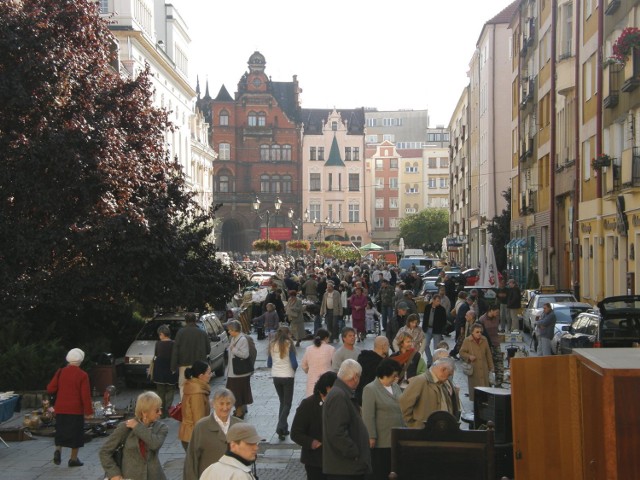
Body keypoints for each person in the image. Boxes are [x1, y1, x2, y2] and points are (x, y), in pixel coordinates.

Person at [100, 391, 168, 480]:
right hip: (130, 476)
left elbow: (155, 444)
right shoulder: (125, 427)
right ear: (144, 412)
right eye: (157, 410)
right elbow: (104, 451)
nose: (160, 413)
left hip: (154, 476)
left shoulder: (161, 428)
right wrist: (114, 473)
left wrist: (137, 427)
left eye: (160, 409)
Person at [322, 359, 372, 479]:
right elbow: (337, 432)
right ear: (355, 377)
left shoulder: (341, 393)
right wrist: (354, 453)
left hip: (346, 467)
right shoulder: (339, 396)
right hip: (345, 468)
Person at [47, 348, 93, 467]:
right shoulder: (83, 375)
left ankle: (58, 450)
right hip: (75, 409)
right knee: (76, 434)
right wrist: (89, 411)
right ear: (80, 361)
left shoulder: (60, 372)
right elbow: (85, 395)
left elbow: (50, 388)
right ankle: (73, 459)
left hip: (61, 407)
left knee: (60, 430)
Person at [183, 388, 242, 480]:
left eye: (228, 403)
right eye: (221, 403)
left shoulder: (239, 425)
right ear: (213, 404)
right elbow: (192, 458)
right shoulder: (202, 426)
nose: (225, 408)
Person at [362, 359, 404, 480]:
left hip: (396, 437)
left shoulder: (395, 387)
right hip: (382, 440)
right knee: (381, 471)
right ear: (384, 375)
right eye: (393, 376)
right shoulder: (370, 389)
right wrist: (371, 436)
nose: (395, 378)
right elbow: (368, 415)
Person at [291, 371, 338, 480]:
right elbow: (296, 433)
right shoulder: (308, 405)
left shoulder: (339, 403)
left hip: (335, 461)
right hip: (315, 461)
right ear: (327, 388)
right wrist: (313, 443)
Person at [398, 359, 457, 428]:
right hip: (424, 430)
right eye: (449, 374)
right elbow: (404, 403)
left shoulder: (441, 382)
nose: (448, 378)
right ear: (442, 369)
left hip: (439, 429)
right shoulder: (420, 380)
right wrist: (413, 424)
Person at [267, 326, 298, 440]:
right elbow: (294, 363)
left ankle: (283, 429)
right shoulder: (289, 344)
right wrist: (293, 370)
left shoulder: (272, 344)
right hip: (288, 376)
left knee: (282, 402)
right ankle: (280, 425)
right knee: (287, 403)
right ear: (288, 334)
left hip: (276, 376)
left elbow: (269, 363)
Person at [171, 312, 210, 398]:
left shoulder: (180, 333)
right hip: (200, 366)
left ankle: (185, 406)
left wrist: (173, 367)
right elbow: (208, 350)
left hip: (184, 365)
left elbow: (175, 350)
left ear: (185, 321)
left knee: (183, 386)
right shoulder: (202, 332)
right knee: (200, 386)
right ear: (195, 320)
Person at [179, 360, 212, 451]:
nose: (211, 375)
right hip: (193, 437)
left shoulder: (192, 386)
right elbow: (199, 420)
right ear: (201, 376)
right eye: (209, 373)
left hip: (189, 435)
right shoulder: (197, 393)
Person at [225, 320, 253, 419]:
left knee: (238, 393)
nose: (228, 332)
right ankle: (238, 410)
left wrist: (233, 349)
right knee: (233, 392)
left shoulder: (242, 339)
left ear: (234, 330)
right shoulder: (233, 338)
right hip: (233, 372)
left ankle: (239, 412)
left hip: (239, 373)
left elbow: (245, 354)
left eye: (229, 330)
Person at [459, 323, 495, 401]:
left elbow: (488, 354)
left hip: (484, 368)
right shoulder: (467, 340)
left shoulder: (484, 339)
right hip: (474, 369)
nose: (479, 334)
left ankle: (485, 403)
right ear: (472, 332)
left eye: (480, 332)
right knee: (476, 390)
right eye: (477, 332)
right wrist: (469, 356)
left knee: (485, 389)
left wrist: (491, 367)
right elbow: (461, 352)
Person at [151, 324, 178, 418]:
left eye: (159, 334)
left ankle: (161, 410)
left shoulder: (158, 344)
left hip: (159, 368)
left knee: (160, 390)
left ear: (162, 334)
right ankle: (168, 408)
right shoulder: (173, 343)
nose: (159, 336)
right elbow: (175, 356)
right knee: (171, 389)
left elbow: (156, 355)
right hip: (170, 368)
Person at [355, 336, 389, 406]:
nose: (389, 347)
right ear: (383, 346)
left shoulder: (362, 357)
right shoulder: (381, 364)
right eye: (388, 345)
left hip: (359, 396)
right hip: (373, 400)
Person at [301, 329, 335, 397]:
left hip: (312, 381)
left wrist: (310, 370)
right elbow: (334, 365)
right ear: (326, 338)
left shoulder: (309, 349)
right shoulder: (331, 349)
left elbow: (304, 365)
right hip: (327, 382)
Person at [478, 304, 504, 385]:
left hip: (496, 343)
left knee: (499, 362)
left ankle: (499, 382)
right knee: (488, 363)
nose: (497, 314)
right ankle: (488, 382)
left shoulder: (497, 318)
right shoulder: (482, 319)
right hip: (487, 345)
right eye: (496, 312)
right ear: (491, 311)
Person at [421, 294, 448, 366]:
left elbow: (444, 321)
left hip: (437, 330)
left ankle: (435, 362)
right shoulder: (427, 307)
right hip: (428, 329)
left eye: (439, 301)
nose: (439, 303)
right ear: (433, 300)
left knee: (436, 348)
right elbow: (425, 318)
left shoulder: (442, 309)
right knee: (425, 345)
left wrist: (441, 330)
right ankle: (429, 360)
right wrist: (424, 328)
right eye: (437, 301)